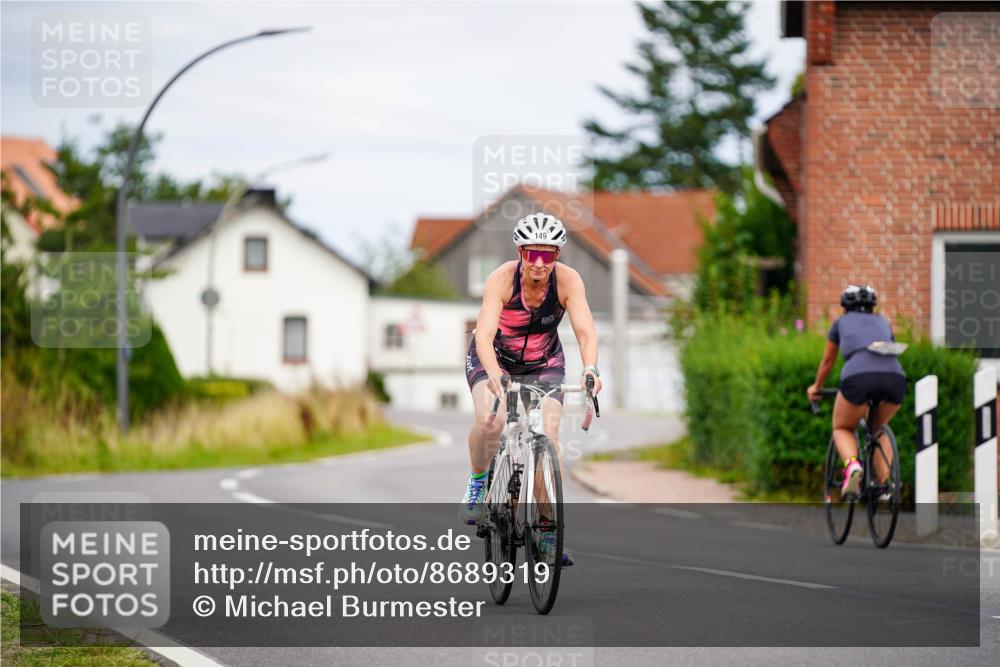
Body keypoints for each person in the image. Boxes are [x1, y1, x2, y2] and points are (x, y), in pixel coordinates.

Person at [459, 213, 603, 563]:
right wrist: (493, 373)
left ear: (558, 255)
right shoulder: (501, 280)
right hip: (493, 357)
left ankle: (547, 532)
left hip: (544, 363)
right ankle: (479, 480)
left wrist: (590, 369)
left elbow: (585, 330)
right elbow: (486, 334)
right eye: (532, 254)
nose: (539, 263)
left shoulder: (568, 282)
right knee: (490, 422)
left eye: (548, 254)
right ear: (520, 252)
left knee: (548, 440)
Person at [806, 285, 906, 497]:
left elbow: (827, 361)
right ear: (872, 307)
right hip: (895, 377)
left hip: (858, 376)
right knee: (880, 426)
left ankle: (852, 466)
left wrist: (817, 387)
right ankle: (884, 483)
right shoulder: (883, 322)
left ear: (845, 307)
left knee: (842, 427)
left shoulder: (840, 324)